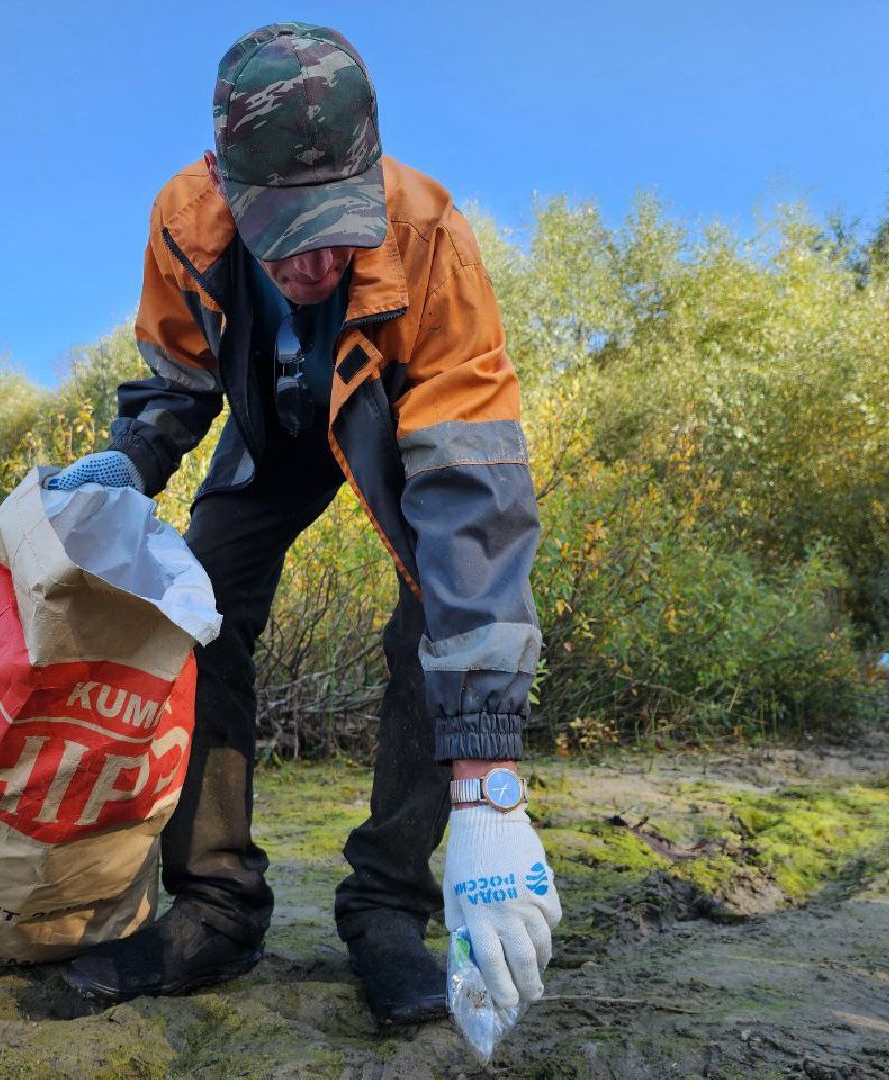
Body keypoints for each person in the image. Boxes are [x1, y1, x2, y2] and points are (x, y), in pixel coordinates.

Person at [51, 22, 561, 1026]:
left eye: (342, 224)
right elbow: (178, 377)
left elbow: (476, 498)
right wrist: (134, 459)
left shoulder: (430, 236)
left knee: (437, 619)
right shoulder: (181, 220)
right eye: (288, 230)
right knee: (195, 605)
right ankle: (215, 907)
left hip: (387, 418)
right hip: (268, 428)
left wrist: (489, 779)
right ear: (221, 182)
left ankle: (387, 912)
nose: (320, 261)